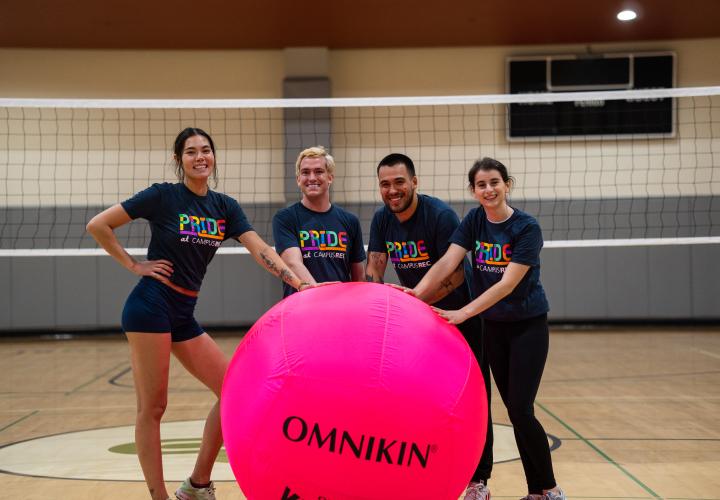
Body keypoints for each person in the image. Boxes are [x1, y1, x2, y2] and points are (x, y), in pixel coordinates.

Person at [86, 128, 313, 500]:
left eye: (205, 150)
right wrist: (134, 265)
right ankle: (159, 496)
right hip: (151, 307)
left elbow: (259, 249)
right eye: (190, 152)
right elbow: (99, 225)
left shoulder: (224, 207)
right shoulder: (163, 195)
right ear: (180, 160)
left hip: (183, 313)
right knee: (154, 407)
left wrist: (299, 283)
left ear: (213, 157)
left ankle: (196, 485)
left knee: (234, 390)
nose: (199, 157)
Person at [410, 157, 565, 500]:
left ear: (507, 184)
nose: (489, 189)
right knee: (513, 411)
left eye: (494, 182)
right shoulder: (474, 220)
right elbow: (449, 261)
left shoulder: (526, 227)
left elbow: (507, 284)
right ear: (474, 191)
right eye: (481, 185)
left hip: (527, 326)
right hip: (494, 327)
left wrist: (464, 312)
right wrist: (416, 296)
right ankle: (536, 492)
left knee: (521, 409)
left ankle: (551, 490)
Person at [365, 153, 494, 500]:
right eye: (385, 184)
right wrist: (380, 310)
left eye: (399, 182)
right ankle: (419, 467)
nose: (392, 190)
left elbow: (453, 275)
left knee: (475, 397)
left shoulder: (439, 216)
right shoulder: (381, 219)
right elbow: (375, 268)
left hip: (462, 317)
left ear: (415, 182)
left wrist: (415, 303)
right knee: (417, 396)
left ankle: (478, 480)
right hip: (420, 321)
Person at [272, 146, 365, 296]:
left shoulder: (350, 221)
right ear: (298, 179)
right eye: (305, 172)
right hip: (302, 307)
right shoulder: (285, 218)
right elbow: (292, 263)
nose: (312, 178)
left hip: (340, 307)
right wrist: (319, 295)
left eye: (319, 171)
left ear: (330, 178)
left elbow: (358, 278)